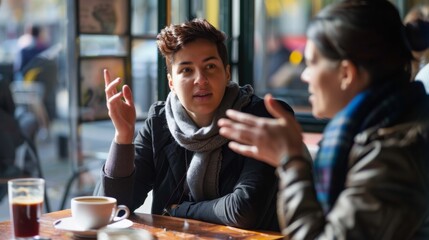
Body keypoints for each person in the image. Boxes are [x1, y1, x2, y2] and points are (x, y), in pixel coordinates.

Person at [218, 0, 429, 239]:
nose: (305, 76)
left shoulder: (396, 152)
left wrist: (292, 161)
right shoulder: (378, 131)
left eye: (311, 63)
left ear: (346, 73)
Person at [95, 18, 294, 231]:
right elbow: (112, 209)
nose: (201, 79)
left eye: (210, 66)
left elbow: (244, 210)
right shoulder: (159, 123)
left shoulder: (261, 117)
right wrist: (123, 138)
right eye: (187, 70)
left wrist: (180, 210)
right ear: (171, 81)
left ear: (227, 73)